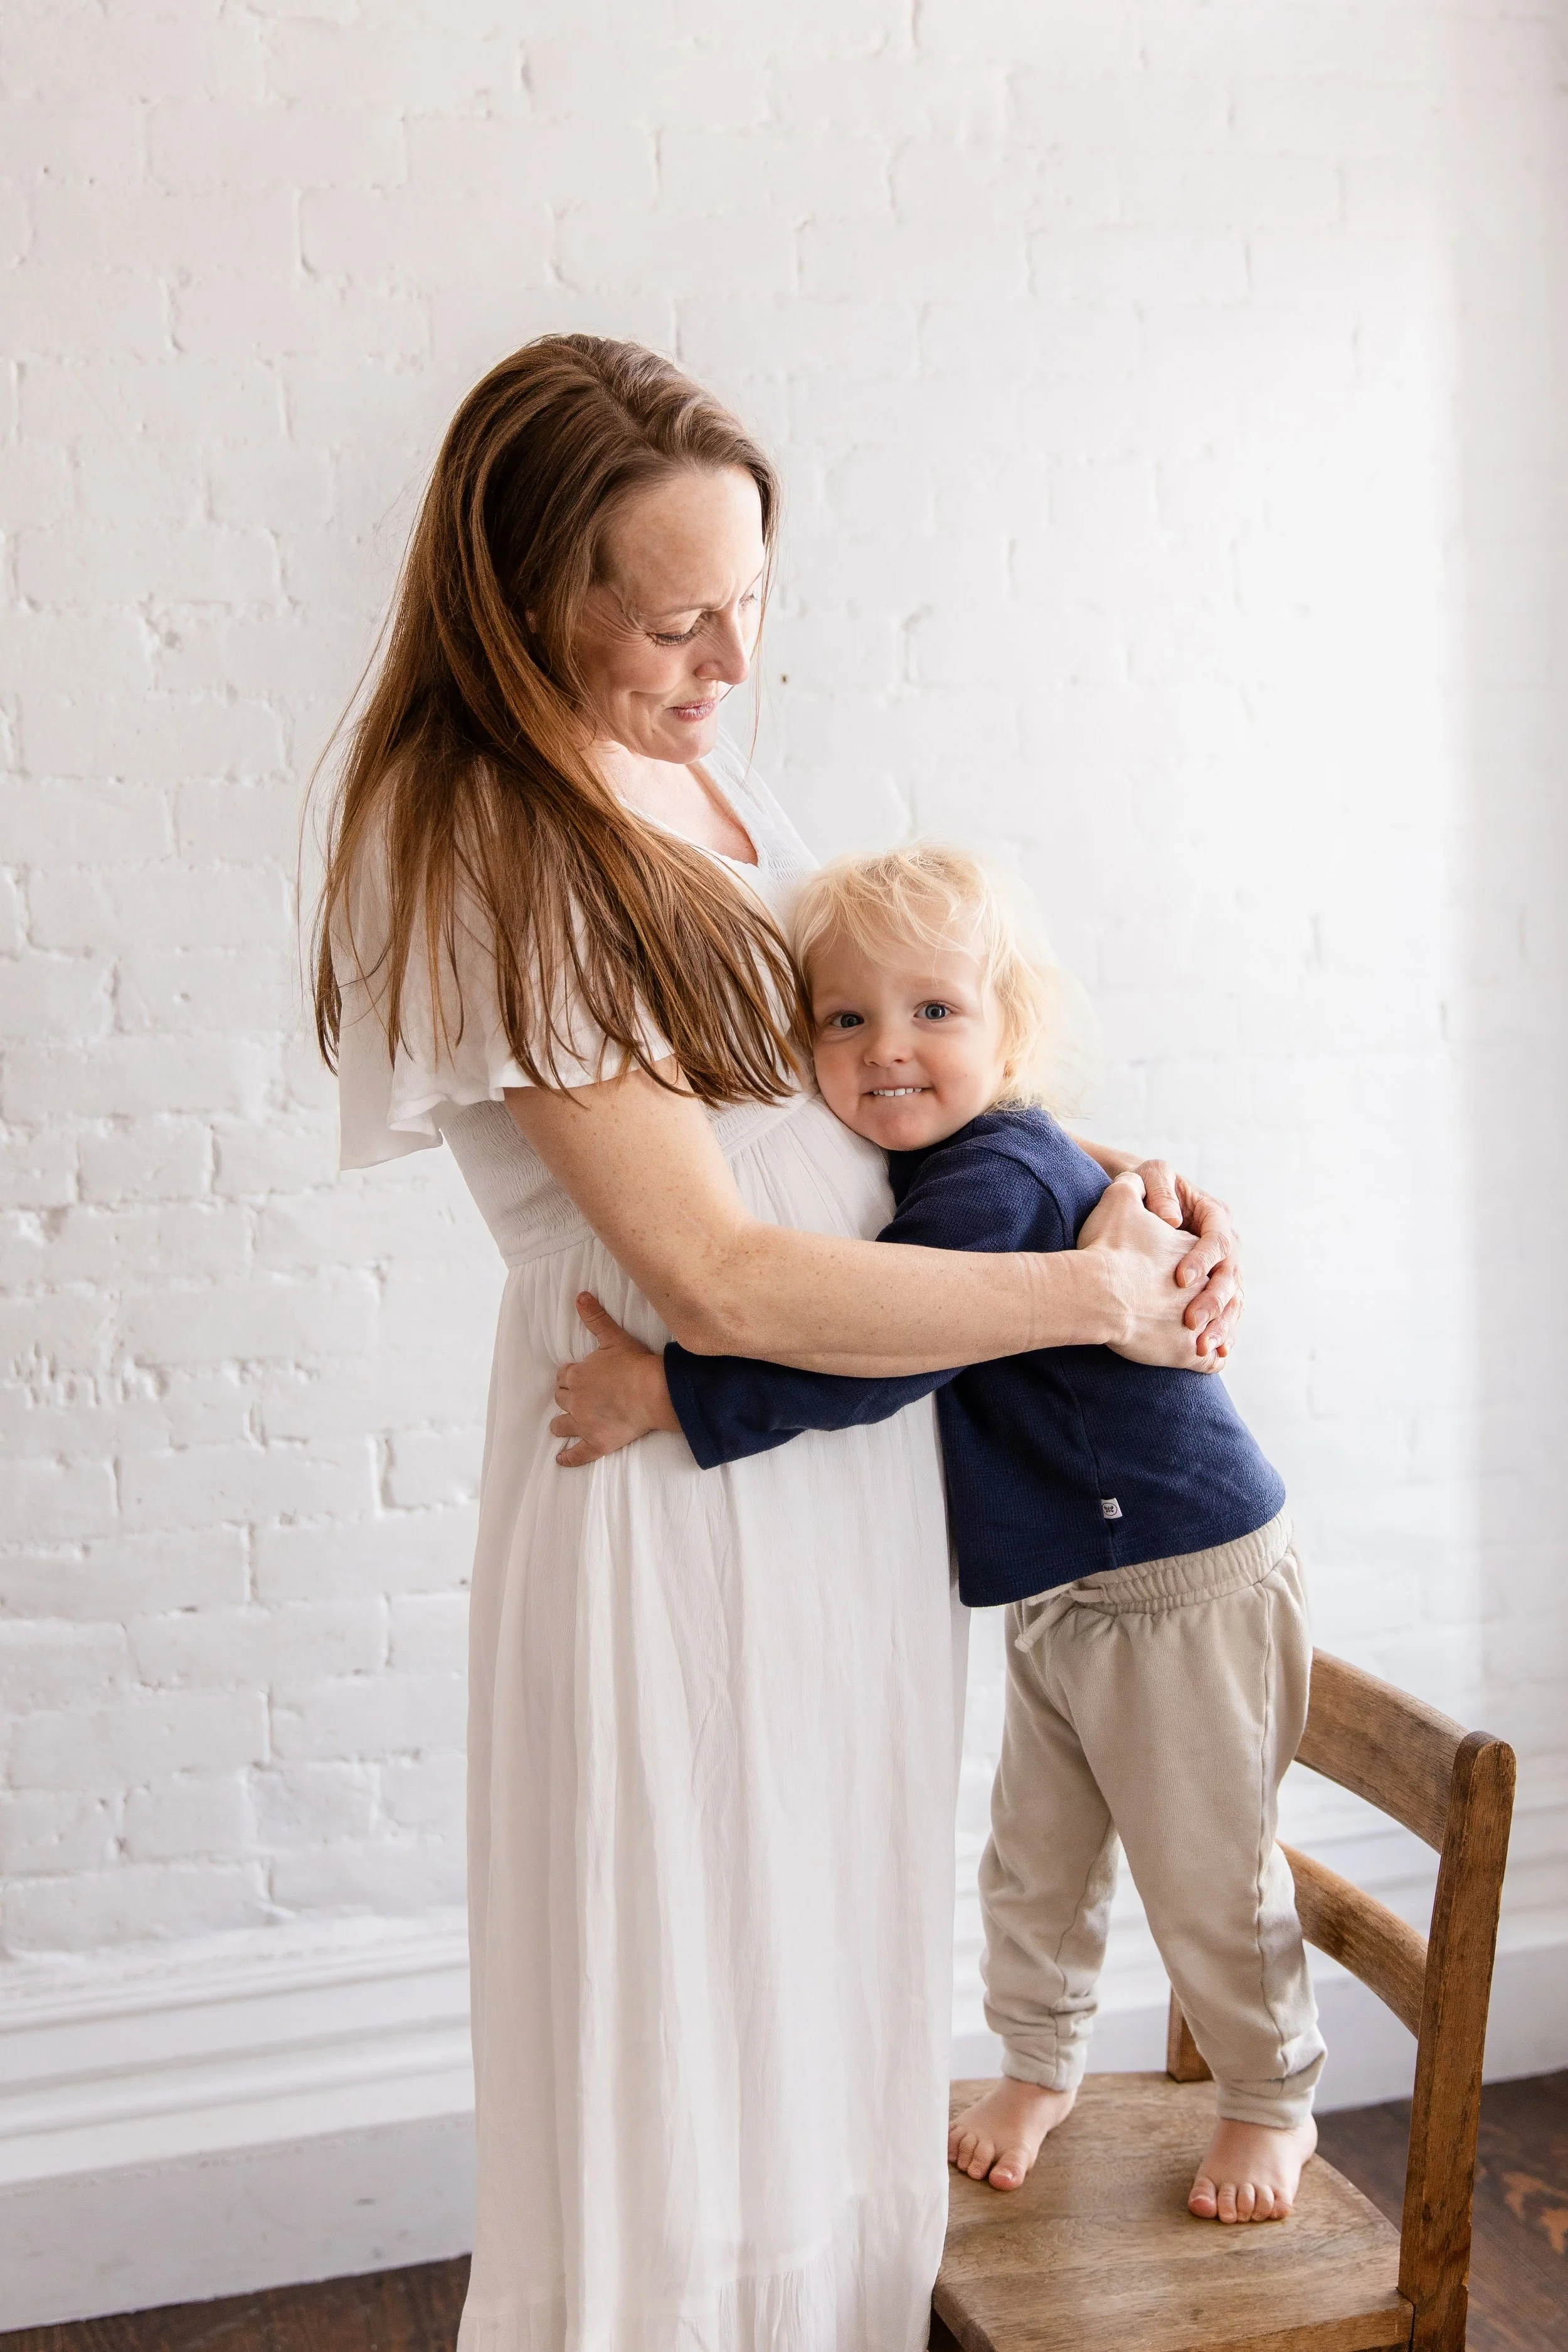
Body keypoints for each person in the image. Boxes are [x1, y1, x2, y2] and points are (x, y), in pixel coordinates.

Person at [314, 334, 1244, 2351]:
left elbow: (858, 1076)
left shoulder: (682, 756)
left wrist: (1105, 1174)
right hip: (676, 1492)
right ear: (527, 599)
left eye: (748, 601)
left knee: (819, 1990)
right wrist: (1088, 1297)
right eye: (676, 622)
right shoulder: (492, 846)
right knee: (686, 2014)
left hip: (830, 1484)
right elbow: (721, 1274)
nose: (730, 660)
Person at [549, 843, 1322, 2230]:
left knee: (1205, 1865)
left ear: (1007, 1036)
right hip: (1072, 1584)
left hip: (1180, 1578)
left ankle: (1271, 2095)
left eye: (933, 1012)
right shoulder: (957, 1164)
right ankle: (1038, 2061)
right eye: (844, 1018)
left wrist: (672, 1393)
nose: (885, 1048)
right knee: (1034, 1858)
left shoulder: (992, 1178)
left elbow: (875, 1356)